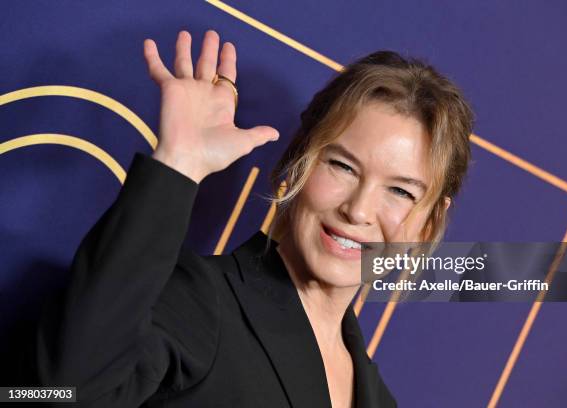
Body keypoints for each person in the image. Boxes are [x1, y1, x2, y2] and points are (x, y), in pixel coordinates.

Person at [31, 29, 473, 407]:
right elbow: (63, 390)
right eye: (342, 166)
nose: (357, 210)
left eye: (399, 191)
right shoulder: (202, 300)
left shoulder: (377, 397)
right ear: (300, 161)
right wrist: (177, 164)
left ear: (427, 225)